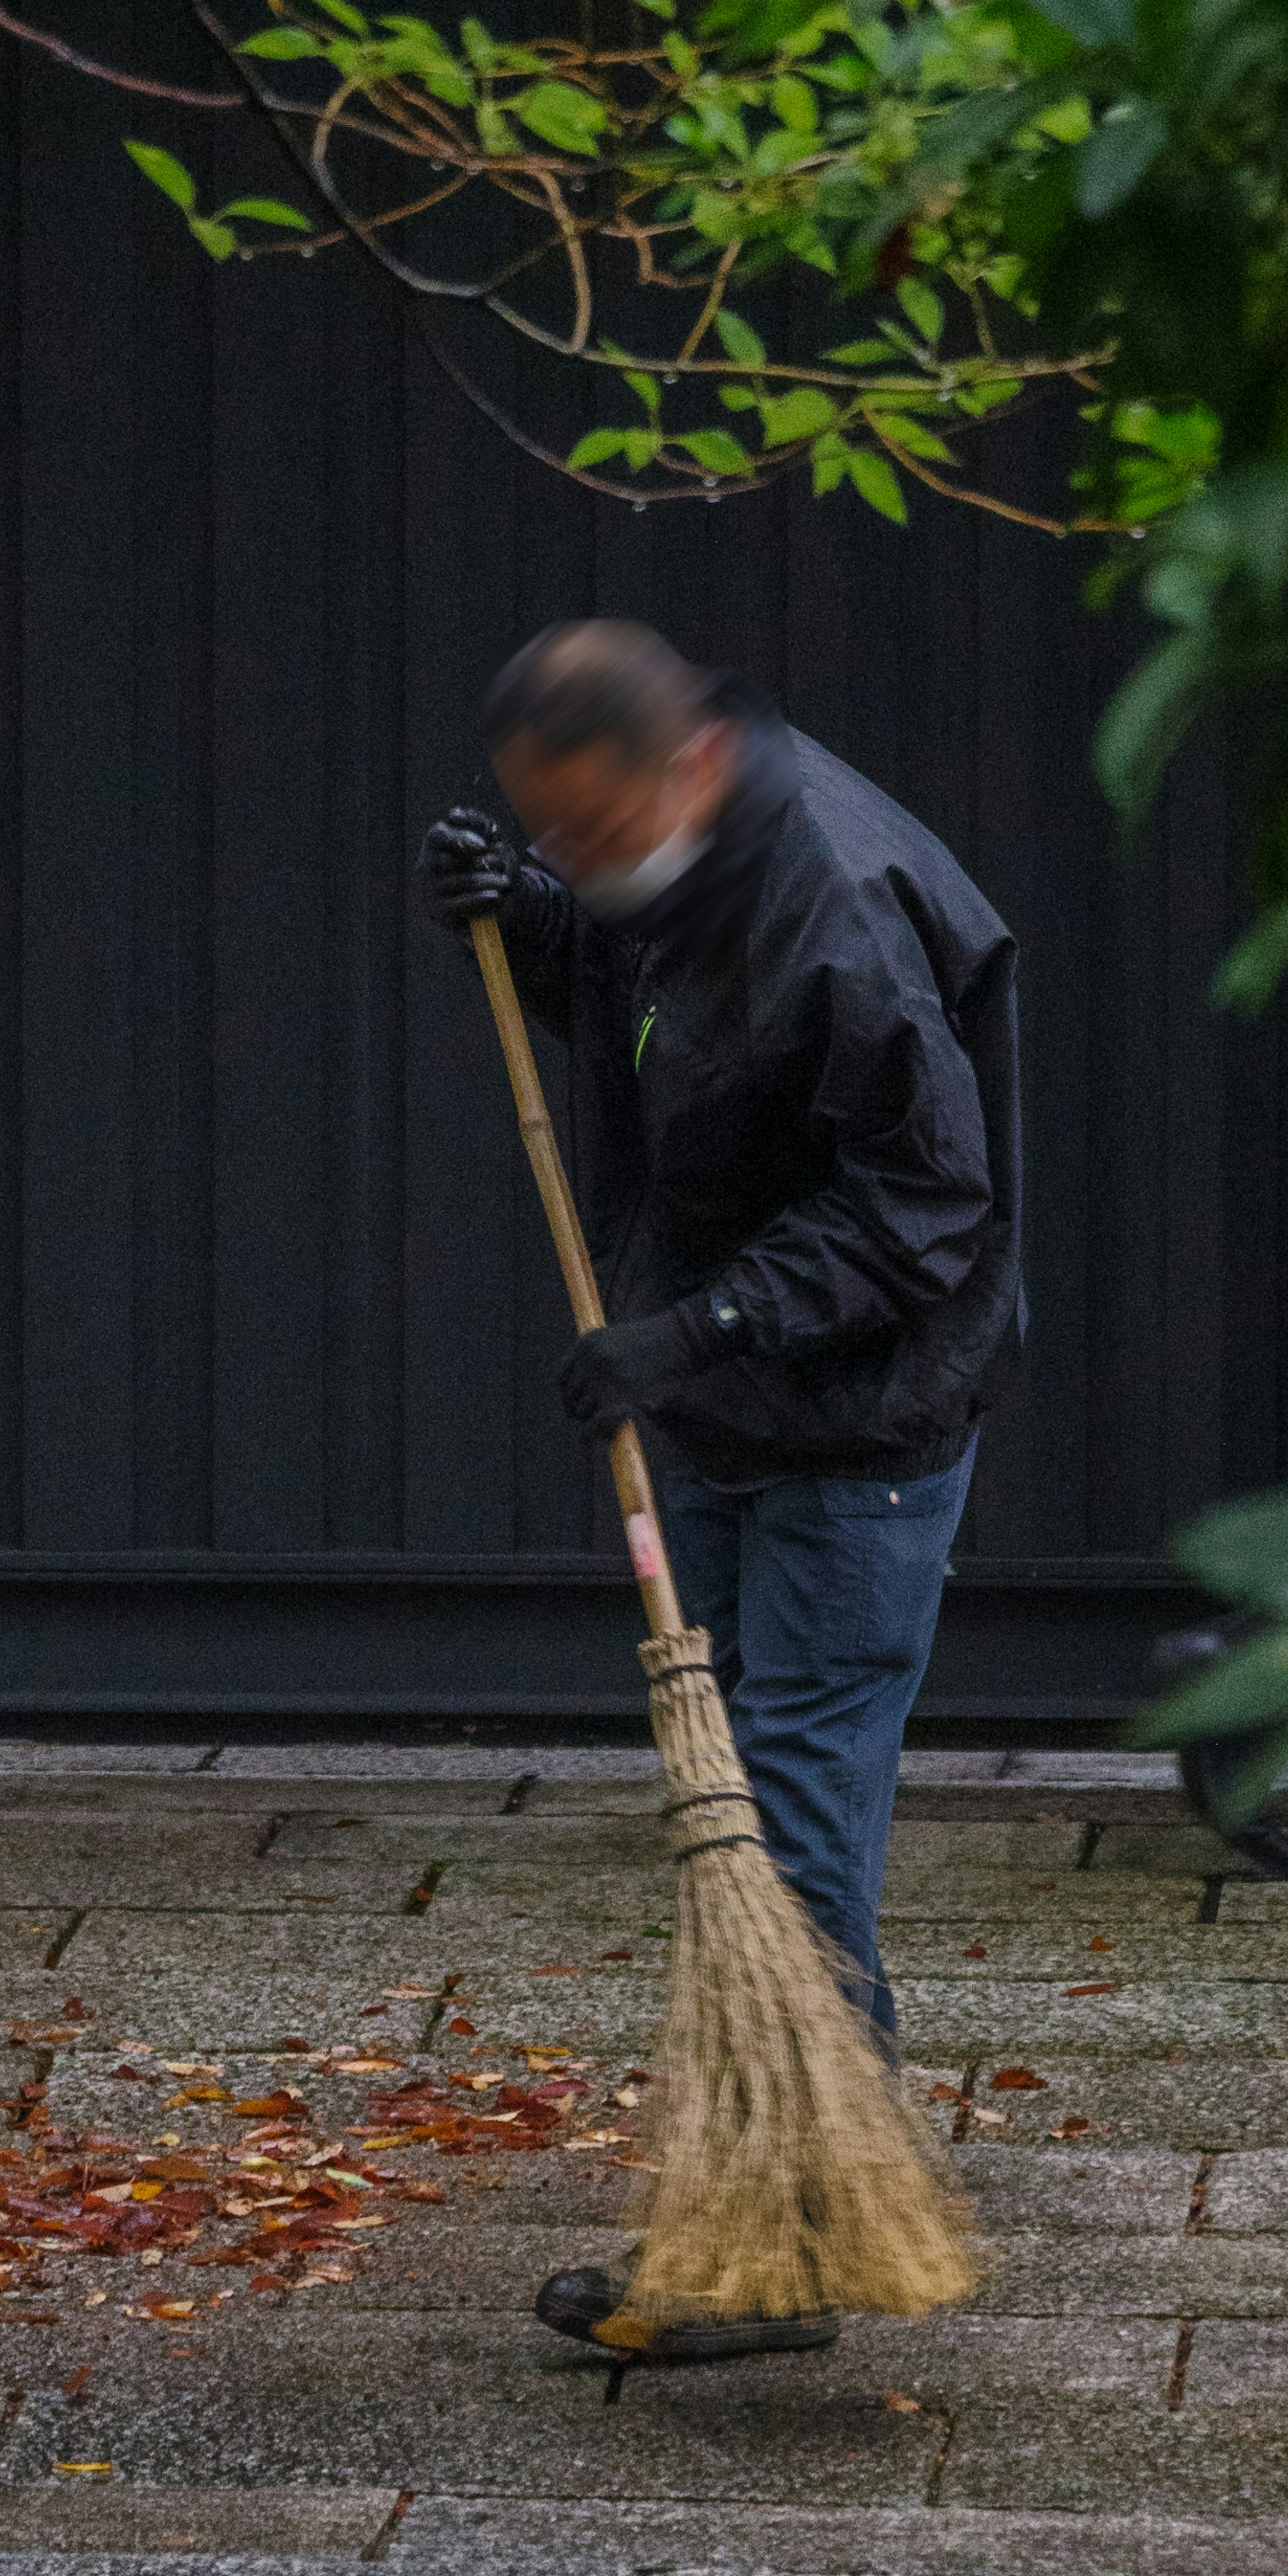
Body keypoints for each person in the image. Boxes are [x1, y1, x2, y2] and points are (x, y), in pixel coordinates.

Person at [419, 618, 1022, 2326]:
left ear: (678, 765)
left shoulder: (834, 902)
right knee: (745, 1807)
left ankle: (783, 2242)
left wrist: (704, 1327)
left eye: (586, 840)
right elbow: (653, 1017)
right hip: (733, 1404)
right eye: (552, 839)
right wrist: (526, 919)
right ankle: (800, 2208)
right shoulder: (667, 855)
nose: (580, 865)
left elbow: (927, 1203)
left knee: (790, 1826)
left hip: (855, 1425)